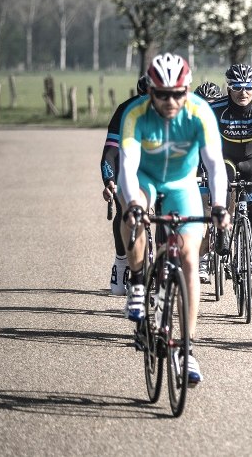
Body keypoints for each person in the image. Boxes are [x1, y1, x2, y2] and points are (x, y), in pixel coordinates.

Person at [118, 53, 229, 387]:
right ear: (150, 91)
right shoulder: (135, 114)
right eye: (162, 94)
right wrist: (135, 203)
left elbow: (215, 164)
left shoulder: (200, 112)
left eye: (178, 93)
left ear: (188, 89)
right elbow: (126, 165)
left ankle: (186, 348)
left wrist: (220, 206)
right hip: (145, 179)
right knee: (134, 213)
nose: (171, 101)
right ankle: (137, 281)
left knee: (190, 260)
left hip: (182, 185)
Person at [205, 63, 252, 305]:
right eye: (237, 87)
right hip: (226, 160)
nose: (243, 92)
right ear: (229, 87)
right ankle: (223, 228)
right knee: (224, 190)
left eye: (248, 87)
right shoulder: (216, 108)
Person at [100, 74, 150, 295]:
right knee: (125, 209)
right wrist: (109, 180)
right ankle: (121, 262)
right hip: (128, 166)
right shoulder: (125, 111)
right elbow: (110, 153)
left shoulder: (174, 112)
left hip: (155, 168)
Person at [192, 80, 223, 284]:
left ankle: (229, 243)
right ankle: (202, 261)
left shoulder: (224, 120)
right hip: (200, 171)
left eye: (212, 103)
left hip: (222, 169)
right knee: (204, 217)